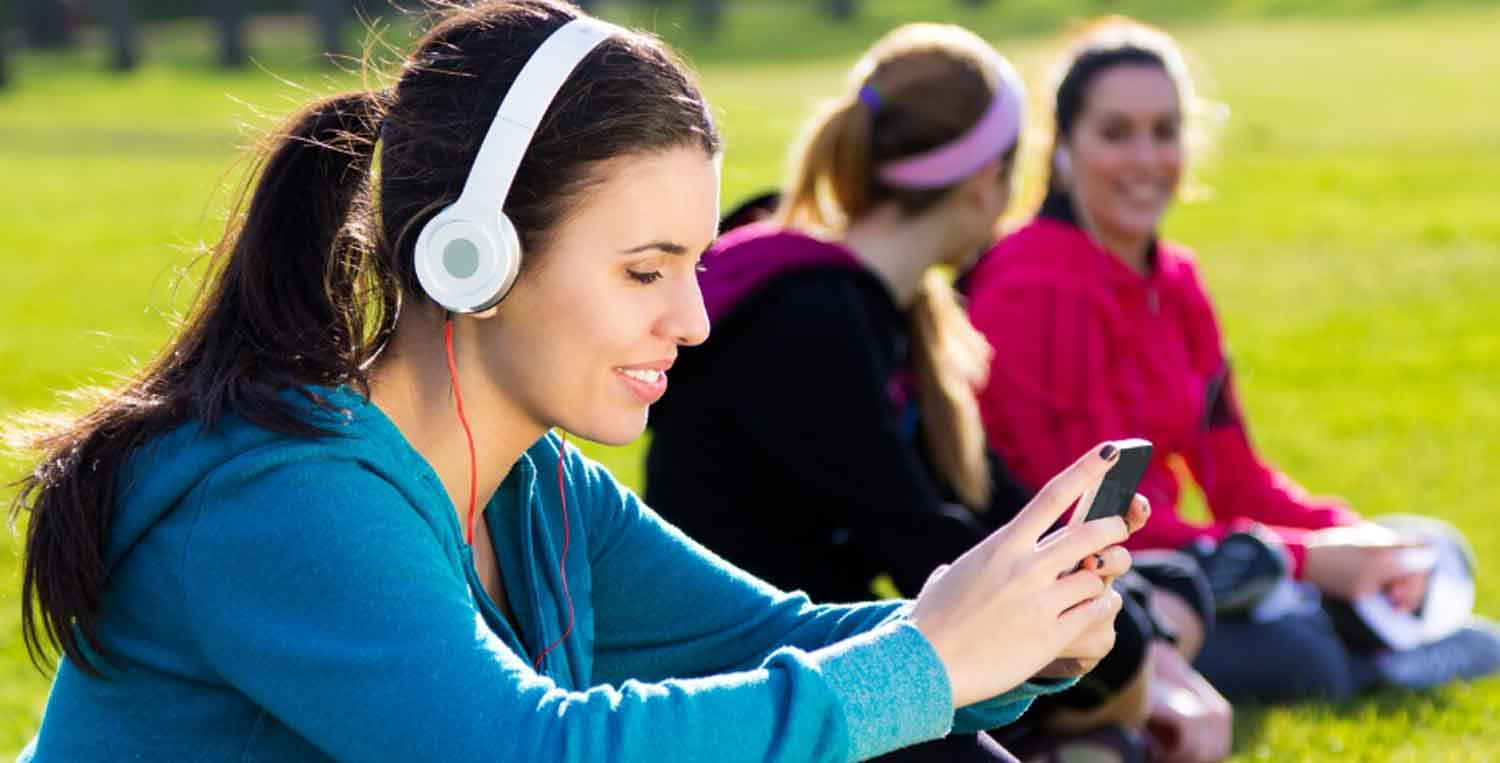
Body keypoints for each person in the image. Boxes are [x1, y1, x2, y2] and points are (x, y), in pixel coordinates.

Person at [9, 2, 1144, 761]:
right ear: (473, 256)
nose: (693, 318)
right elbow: (531, 750)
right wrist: (932, 659)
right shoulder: (282, 500)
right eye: (646, 269)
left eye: (695, 266)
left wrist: (1015, 629)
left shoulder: (538, 490)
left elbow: (769, 644)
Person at [643, 23, 1220, 762]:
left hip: (839, 654)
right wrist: (1125, 652)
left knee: (1159, 599)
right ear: (987, 180)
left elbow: (980, 498)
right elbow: (918, 539)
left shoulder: (880, 304)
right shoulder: (808, 319)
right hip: (764, 687)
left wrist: (1118, 606)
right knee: (1120, 665)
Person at [965, 15, 1499, 704]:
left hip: (1203, 564)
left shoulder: (1177, 281)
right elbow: (1083, 518)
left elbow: (1236, 473)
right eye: (1116, 132)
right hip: (1097, 585)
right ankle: (1365, 646)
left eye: (1165, 131)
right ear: (1063, 145)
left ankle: (1362, 614)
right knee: (1305, 657)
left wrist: (1351, 539)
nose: (1146, 158)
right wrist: (1304, 560)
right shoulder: (1033, 284)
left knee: (1427, 542)